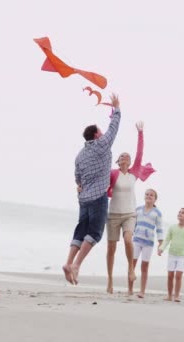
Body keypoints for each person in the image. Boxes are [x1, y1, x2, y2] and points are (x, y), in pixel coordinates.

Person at [63, 93, 121, 285]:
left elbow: (77, 178)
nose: (103, 132)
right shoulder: (101, 145)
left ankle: (68, 261)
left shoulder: (80, 155)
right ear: (96, 135)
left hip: (84, 199)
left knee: (81, 230)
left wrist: (80, 186)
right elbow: (114, 129)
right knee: (95, 233)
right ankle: (76, 264)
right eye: (100, 130)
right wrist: (117, 108)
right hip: (98, 197)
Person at [105, 120, 156, 294]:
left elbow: (139, 152)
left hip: (129, 214)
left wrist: (140, 133)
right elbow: (104, 188)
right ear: (118, 161)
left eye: (128, 156)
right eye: (122, 156)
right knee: (111, 248)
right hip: (113, 215)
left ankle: (130, 269)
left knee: (128, 240)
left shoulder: (134, 173)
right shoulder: (112, 173)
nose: (126, 157)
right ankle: (110, 280)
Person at [130, 189, 163, 298]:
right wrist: (129, 234)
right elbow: (132, 224)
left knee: (144, 267)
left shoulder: (157, 213)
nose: (149, 196)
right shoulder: (138, 210)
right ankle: (130, 290)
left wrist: (160, 243)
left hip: (148, 243)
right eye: (147, 194)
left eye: (151, 195)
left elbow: (159, 229)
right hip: (136, 241)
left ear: (155, 199)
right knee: (132, 265)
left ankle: (142, 291)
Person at [158, 208, 184, 302]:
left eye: (183, 213)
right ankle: (169, 296)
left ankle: (177, 296)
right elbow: (167, 240)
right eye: (179, 212)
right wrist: (161, 248)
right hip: (172, 255)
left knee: (178, 276)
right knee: (170, 275)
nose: (180, 214)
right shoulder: (172, 227)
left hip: (183, 256)